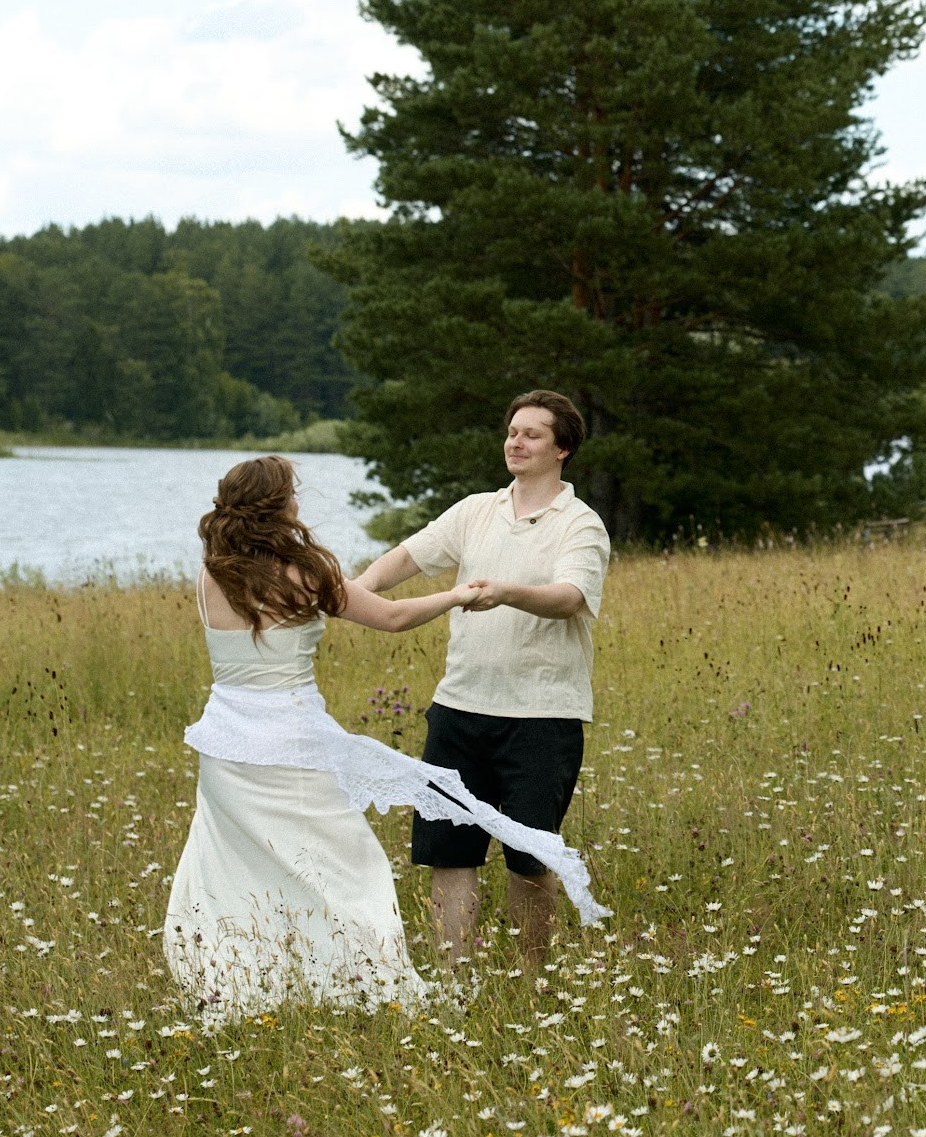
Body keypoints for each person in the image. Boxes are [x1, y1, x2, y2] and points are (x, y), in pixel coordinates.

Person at [164, 455, 607, 1022]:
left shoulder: (211, 574)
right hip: (292, 744)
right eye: (292, 493)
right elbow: (393, 618)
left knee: (237, 865)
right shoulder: (304, 574)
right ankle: (360, 983)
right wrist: (454, 597)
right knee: (348, 868)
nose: (299, 500)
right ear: (277, 506)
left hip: (224, 745)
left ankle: (250, 977)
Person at [355, 390, 611, 967]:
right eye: (512, 432)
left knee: (529, 858)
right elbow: (408, 557)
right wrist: (355, 590)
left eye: (532, 434)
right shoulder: (475, 509)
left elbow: (570, 598)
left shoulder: (580, 524)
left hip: (541, 717)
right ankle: (455, 981)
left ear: (562, 449)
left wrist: (506, 592)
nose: (515, 442)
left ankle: (532, 979)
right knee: (449, 852)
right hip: (459, 708)